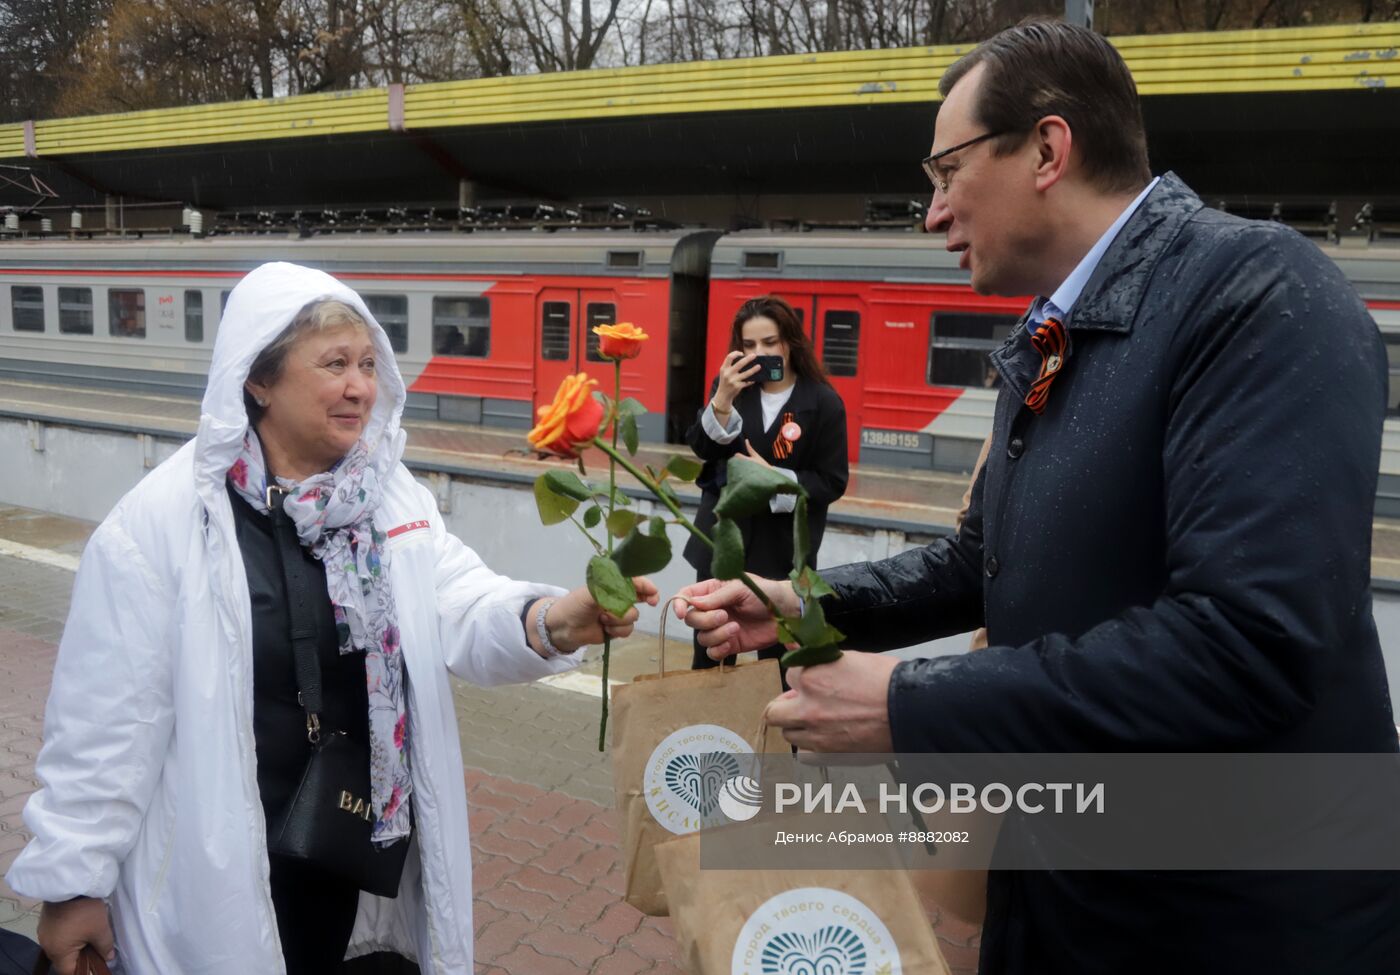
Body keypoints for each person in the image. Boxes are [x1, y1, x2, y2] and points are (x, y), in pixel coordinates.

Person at [678, 20, 1400, 975]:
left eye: (945, 172)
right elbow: (981, 562)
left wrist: (909, 704)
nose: (932, 213)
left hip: (1233, 916)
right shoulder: (1057, 334)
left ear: (1049, 150)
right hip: (1086, 891)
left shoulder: (1257, 294)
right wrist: (807, 603)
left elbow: (1248, 642)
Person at [6, 262, 656, 975]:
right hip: (220, 864)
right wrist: (72, 882)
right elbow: (103, 724)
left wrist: (550, 620)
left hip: (350, 846)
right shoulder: (161, 525)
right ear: (258, 381)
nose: (360, 385)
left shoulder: (388, 500)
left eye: (369, 363)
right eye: (335, 364)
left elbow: (461, 602)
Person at [683, 295, 848, 669]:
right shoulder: (731, 388)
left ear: (789, 342)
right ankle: (708, 728)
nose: (760, 352)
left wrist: (775, 480)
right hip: (720, 545)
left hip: (782, 556)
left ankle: (768, 729)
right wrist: (721, 400)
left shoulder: (823, 402)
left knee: (777, 665)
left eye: (770, 343)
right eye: (749, 344)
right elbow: (703, 448)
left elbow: (832, 481)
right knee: (710, 656)